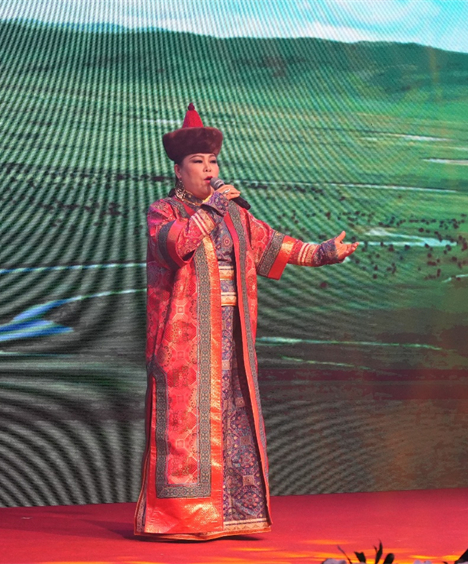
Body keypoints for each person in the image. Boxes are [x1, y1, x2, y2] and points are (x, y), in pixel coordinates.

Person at [134, 103, 358, 541]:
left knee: (234, 417)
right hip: (186, 338)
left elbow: (273, 245)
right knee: (185, 425)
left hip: (232, 332)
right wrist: (211, 209)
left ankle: (234, 514)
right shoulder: (165, 211)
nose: (208, 169)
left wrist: (323, 253)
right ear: (178, 170)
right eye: (197, 162)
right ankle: (181, 519)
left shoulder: (237, 214)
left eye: (212, 161)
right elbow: (175, 248)